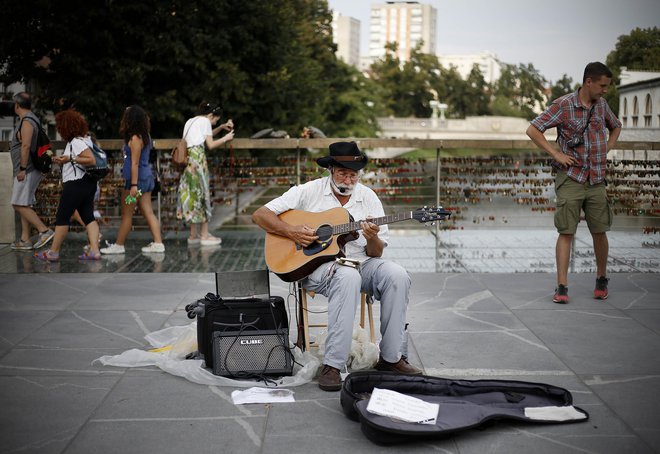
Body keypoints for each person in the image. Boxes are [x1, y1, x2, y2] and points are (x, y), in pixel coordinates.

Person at [252, 141, 421, 392]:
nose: (348, 178)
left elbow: (376, 252)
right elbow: (260, 214)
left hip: (362, 264)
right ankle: (333, 364)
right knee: (347, 277)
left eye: (353, 173)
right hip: (318, 269)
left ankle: (391, 358)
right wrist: (292, 231)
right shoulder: (309, 191)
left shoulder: (368, 197)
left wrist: (372, 236)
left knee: (397, 275)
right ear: (330, 169)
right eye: (342, 172)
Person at [526, 62, 621, 304]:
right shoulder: (564, 105)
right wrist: (556, 154)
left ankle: (601, 279)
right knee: (566, 231)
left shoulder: (602, 106)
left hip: (597, 179)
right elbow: (533, 129)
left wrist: (608, 146)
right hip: (571, 178)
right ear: (588, 81)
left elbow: (616, 125)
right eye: (602, 85)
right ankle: (562, 286)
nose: (605, 90)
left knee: (600, 231)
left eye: (607, 86)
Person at [35, 110, 101, 261]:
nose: (58, 129)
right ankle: (94, 251)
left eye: (59, 126)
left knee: (62, 217)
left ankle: (53, 252)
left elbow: (91, 160)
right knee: (88, 218)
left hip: (75, 184)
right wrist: (66, 159)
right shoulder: (85, 140)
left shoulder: (76, 142)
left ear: (66, 127)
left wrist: (70, 158)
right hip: (87, 183)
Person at [101, 105, 164, 254]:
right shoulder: (145, 135)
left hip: (136, 183)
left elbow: (135, 163)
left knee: (127, 214)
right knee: (148, 212)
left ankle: (119, 245)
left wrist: (133, 186)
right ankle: (158, 243)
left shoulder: (136, 138)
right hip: (144, 180)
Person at [176, 101, 234, 246]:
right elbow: (211, 144)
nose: (214, 123)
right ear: (210, 115)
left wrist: (220, 128)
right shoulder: (205, 122)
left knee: (193, 194)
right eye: (215, 120)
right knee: (203, 194)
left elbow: (203, 136)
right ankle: (204, 235)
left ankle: (193, 235)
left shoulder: (191, 121)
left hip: (188, 161)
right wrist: (226, 138)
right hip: (198, 160)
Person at [9, 92, 54, 251]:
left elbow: (26, 146)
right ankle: (25, 239)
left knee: (17, 203)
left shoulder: (27, 121)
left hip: (26, 170)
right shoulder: (31, 119)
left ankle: (44, 231)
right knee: (24, 203)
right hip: (29, 169)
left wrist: (21, 169)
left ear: (17, 105)